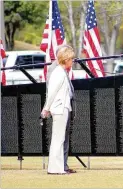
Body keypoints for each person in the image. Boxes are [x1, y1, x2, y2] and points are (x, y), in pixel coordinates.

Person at [41, 45, 76, 175]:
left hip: (62, 108)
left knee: (59, 139)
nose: (72, 61)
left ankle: (56, 167)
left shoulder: (61, 71)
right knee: (58, 139)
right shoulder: (58, 72)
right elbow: (52, 93)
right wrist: (46, 109)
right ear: (65, 59)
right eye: (71, 59)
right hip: (60, 108)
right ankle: (56, 168)